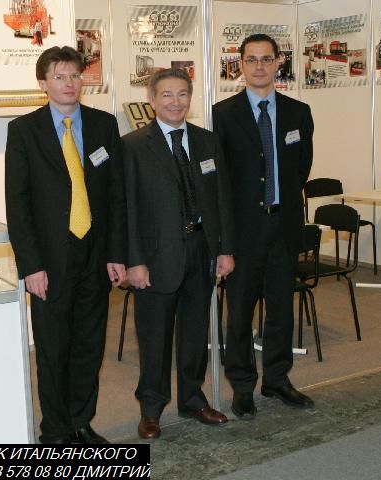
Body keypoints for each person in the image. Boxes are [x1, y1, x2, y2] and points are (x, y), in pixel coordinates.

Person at [5, 46, 126, 444]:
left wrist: (116, 254)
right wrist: (30, 266)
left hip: (95, 254)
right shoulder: (24, 131)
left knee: (89, 344)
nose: (69, 83)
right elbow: (18, 204)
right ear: (43, 83)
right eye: (59, 77)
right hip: (49, 260)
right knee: (53, 347)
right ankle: (55, 430)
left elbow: (116, 195)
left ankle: (80, 422)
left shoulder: (104, 125)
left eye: (74, 75)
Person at [122, 68, 234, 440]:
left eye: (182, 94)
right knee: (154, 339)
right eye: (167, 95)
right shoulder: (133, 146)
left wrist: (225, 250)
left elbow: (221, 200)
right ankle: (151, 409)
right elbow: (127, 209)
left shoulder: (207, 141)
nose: (175, 102)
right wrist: (134, 260)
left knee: (194, 334)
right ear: (152, 100)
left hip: (201, 251)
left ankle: (192, 399)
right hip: (154, 259)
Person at [213, 33, 315, 419]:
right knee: (239, 311)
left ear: (278, 63)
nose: (259, 66)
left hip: (283, 226)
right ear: (240, 64)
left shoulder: (298, 112)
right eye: (252, 59)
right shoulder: (222, 114)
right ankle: (242, 386)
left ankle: (277, 379)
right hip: (243, 231)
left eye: (266, 59)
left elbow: (301, 167)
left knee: (281, 309)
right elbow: (221, 178)